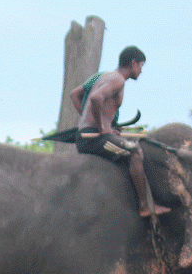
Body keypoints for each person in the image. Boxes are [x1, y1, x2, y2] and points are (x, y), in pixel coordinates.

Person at [67, 45, 171, 217]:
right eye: (141, 66)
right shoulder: (118, 80)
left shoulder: (105, 75)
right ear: (133, 63)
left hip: (89, 134)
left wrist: (101, 125)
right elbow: (95, 98)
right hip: (94, 139)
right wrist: (103, 129)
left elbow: (75, 94)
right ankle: (144, 206)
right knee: (135, 152)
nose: (141, 71)